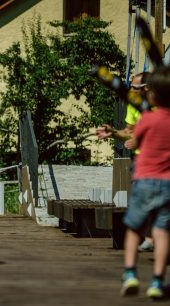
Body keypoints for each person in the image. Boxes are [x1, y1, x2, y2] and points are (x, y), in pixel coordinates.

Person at [120, 66, 170, 299]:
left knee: (133, 228)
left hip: (145, 181)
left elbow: (134, 139)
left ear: (151, 95)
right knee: (162, 232)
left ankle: (130, 273)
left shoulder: (148, 119)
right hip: (168, 184)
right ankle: (157, 281)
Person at [96, 72, 154, 252]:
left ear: (146, 89)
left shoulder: (161, 104)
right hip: (140, 159)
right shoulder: (133, 106)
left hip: (160, 158)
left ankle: (153, 238)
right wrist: (113, 132)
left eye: (134, 87)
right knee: (141, 198)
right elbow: (130, 132)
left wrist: (141, 139)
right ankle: (151, 238)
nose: (130, 90)